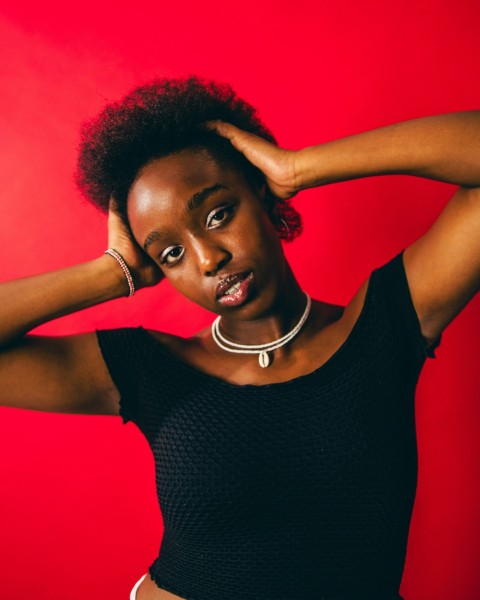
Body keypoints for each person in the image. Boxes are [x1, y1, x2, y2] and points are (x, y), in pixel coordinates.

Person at [1, 75, 479, 600]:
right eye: (172, 253)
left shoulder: (381, 328)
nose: (209, 260)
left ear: (262, 191)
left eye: (218, 214)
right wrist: (113, 274)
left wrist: (299, 167)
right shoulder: (149, 367)